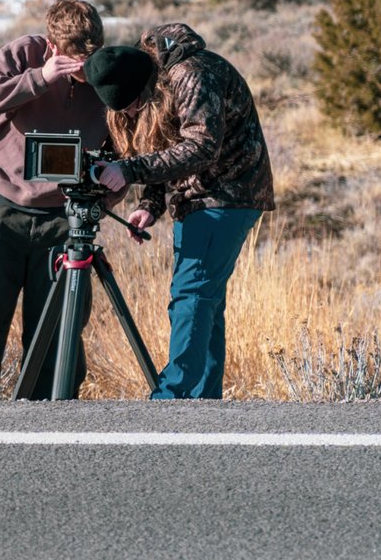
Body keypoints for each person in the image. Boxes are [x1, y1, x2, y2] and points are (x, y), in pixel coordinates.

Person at [89, 23, 276, 400]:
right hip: (199, 198)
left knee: (191, 295)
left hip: (226, 194)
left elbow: (200, 148)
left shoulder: (192, 76)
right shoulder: (156, 79)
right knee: (205, 303)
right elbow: (165, 143)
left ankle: (172, 398)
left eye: (133, 108)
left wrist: (129, 171)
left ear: (144, 90)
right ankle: (203, 403)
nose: (132, 115)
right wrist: (150, 204)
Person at [0, 0, 108, 400]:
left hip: (64, 217)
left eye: (89, 61)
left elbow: (127, 144)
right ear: (52, 46)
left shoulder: (104, 73)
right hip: (1, 207)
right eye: (73, 61)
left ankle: (47, 426)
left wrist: (106, 197)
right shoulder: (25, 54)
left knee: (55, 335)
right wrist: (41, 77)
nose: (82, 70)